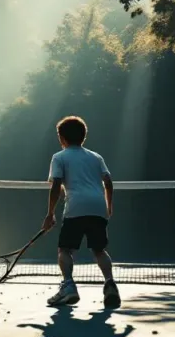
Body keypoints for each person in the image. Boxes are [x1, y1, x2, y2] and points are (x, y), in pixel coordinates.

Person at [42, 116, 120, 309]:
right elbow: (108, 182)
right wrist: (108, 206)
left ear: (61, 138)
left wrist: (50, 213)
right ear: (83, 137)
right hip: (98, 207)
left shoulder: (59, 157)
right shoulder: (96, 157)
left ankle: (68, 285)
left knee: (65, 250)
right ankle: (110, 283)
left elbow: (57, 185)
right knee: (99, 249)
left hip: (76, 207)